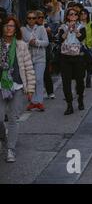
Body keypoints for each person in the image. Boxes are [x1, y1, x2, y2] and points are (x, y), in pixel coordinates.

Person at [0, 16, 36, 162]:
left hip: (17, 86)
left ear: (16, 30)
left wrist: (31, 88)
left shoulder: (21, 45)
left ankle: (10, 149)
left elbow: (28, 67)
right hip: (1, 86)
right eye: (6, 26)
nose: (9, 28)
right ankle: (3, 139)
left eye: (12, 26)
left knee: (13, 119)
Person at [57, 8, 87, 115]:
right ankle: (69, 104)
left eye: (75, 14)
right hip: (65, 57)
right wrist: (67, 29)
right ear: (67, 16)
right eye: (71, 14)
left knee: (79, 80)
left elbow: (82, 38)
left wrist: (75, 30)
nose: (73, 16)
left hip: (78, 57)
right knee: (66, 82)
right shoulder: (62, 27)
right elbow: (60, 39)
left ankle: (80, 97)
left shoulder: (81, 27)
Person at [21, 11, 49, 111]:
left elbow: (46, 42)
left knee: (38, 79)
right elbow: (21, 42)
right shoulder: (22, 30)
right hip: (28, 58)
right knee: (30, 80)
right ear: (26, 19)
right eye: (29, 18)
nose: (31, 20)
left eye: (33, 18)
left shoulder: (41, 29)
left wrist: (36, 42)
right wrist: (29, 42)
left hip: (40, 58)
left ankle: (40, 101)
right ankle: (33, 101)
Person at [36, 11, 55, 99]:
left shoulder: (46, 27)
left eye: (42, 17)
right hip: (34, 53)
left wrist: (49, 32)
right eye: (38, 17)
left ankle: (50, 92)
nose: (40, 19)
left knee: (46, 73)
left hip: (45, 53)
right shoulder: (32, 28)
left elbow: (51, 40)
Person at [80, 9, 92, 88]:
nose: (83, 15)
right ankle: (82, 79)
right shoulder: (78, 24)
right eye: (82, 14)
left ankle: (89, 75)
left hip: (89, 47)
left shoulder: (90, 24)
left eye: (85, 14)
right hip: (80, 47)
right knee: (82, 64)